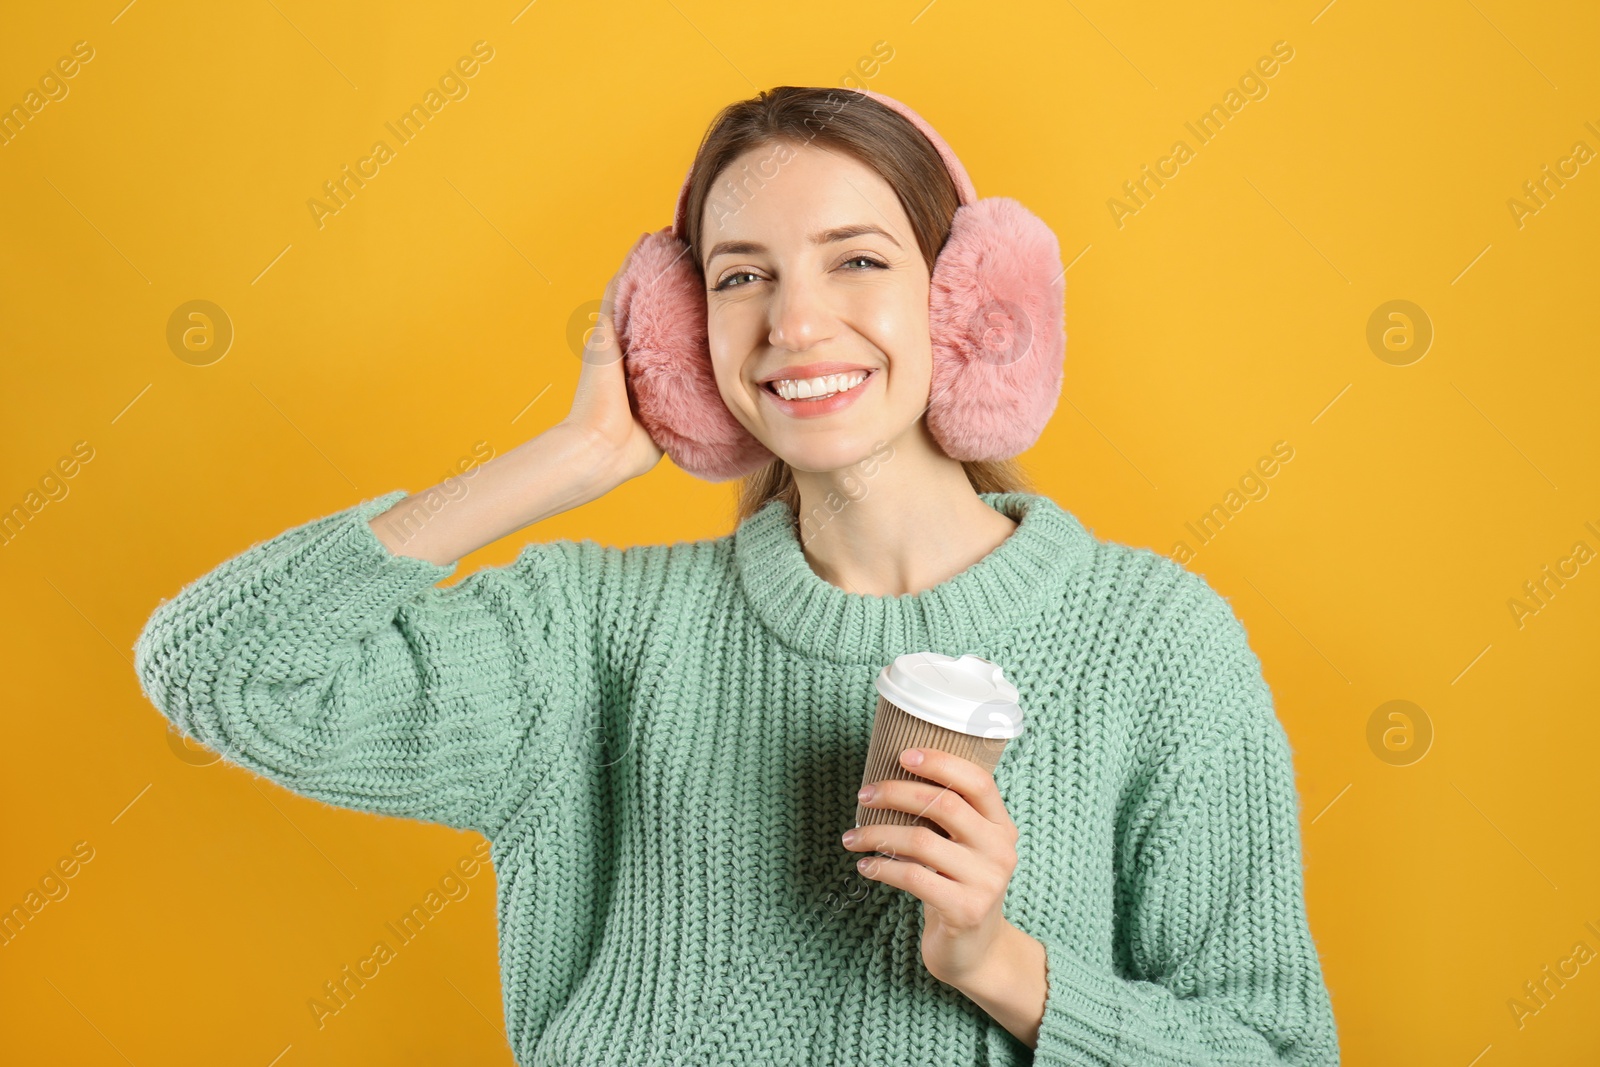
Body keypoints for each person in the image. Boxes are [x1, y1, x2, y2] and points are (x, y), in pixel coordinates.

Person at [133, 86, 1340, 1066]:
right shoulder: (592, 635)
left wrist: (998, 965)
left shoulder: (1154, 641)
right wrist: (570, 458)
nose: (795, 323)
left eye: (856, 260)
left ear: (966, 304)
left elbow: (1276, 1052)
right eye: (740, 275)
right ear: (683, 334)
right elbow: (220, 670)